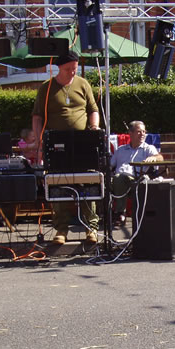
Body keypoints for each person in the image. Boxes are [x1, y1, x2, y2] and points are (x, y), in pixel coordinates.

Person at [31, 50, 101, 245]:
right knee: (57, 184)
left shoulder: (83, 84)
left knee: (87, 183)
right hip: (56, 144)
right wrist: (39, 140)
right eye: (68, 69)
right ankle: (61, 229)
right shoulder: (46, 88)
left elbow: (93, 109)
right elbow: (37, 116)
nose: (72, 72)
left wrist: (94, 127)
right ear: (59, 68)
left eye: (75, 68)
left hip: (81, 143)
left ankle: (91, 228)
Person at [110, 120, 163, 225]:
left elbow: (160, 157)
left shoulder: (148, 148)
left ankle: (120, 212)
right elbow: (110, 165)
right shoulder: (121, 150)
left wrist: (153, 157)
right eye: (139, 131)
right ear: (130, 133)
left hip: (136, 179)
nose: (142, 134)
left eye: (144, 131)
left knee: (119, 178)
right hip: (117, 178)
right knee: (106, 181)